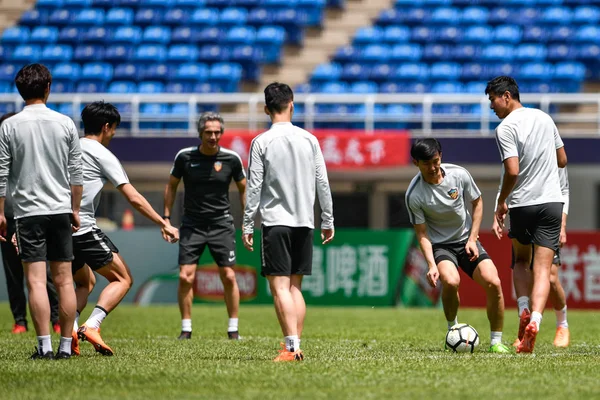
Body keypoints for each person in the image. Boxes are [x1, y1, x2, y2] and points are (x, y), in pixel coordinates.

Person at [71, 101, 179, 356]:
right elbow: (133, 197)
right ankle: (92, 325)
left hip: (57, 227)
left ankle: (71, 330)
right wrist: (163, 222)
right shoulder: (101, 153)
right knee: (123, 278)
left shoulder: (68, 147)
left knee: (84, 282)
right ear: (107, 127)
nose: (115, 134)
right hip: (82, 228)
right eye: (114, 129)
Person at [242, 82, 335, 362]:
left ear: (266, 109)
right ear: (292, 104)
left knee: (280, 288)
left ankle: (291, 347)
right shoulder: (309, 139)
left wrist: (247, 224)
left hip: (276, 222)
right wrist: (327, 219)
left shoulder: (261, 142)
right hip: (304, 222)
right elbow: (323, 182)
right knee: (295, 287)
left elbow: (254, 187)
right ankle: (295, 345)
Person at [0, 63, 83, 359]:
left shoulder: (9, 125)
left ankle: (44, 347)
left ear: (20, 90)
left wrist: (0, 212)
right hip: (60, 209)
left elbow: (1, 173)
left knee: (35, 280)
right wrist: (75, 209)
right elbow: (76, 173)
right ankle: (65, 348)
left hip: (26, 213)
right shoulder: (65, 123)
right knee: (64, 280)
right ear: (48, 87)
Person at [405, 138, 510, 353]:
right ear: (416, 163)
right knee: (451, 282)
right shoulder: (414, 194)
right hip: (441, 246)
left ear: (440, 156)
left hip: (466, 240)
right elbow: (422, 234)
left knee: (494, 282)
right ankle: (453, 331)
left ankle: (496, 342)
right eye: (426, 164)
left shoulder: (459, 174)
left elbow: (477, 202)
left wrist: (472, 238)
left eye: (435, 161)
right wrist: (432, 265)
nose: (433, 168)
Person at [487, 76, 567, 353]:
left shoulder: (505, 128)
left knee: (521, 261)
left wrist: (501, 201)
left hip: (523, 203)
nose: (491, 107)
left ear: (506, 96)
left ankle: (523, 310)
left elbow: (512, 170)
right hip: (553, 203)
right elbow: (562, 160)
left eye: (492, 100)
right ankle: (536, 319)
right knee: (544, 269)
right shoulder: (545, 118)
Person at [164, 112, 246, 340]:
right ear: (200, 133)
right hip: (192, 225)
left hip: (222, 224)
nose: (213, 136)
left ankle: (233, 329)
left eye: (217, 132)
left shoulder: (231, 159)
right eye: (209, 132)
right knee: (185, 277)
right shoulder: (184, 157)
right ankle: (186, 328)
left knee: (229, 276)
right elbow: (171, 186)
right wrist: (166, 218)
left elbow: (243, 188)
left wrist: (247, 221)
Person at [494, 167, 571, 348]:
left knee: (550, 276)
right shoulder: (519, 146)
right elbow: (506, 180)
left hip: (548, 214)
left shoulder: (553, 150)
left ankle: (562, 325)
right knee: (522, 264)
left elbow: (564, 189)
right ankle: (526, 321)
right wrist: (496, 213)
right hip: (522, 211)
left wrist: (563, 225)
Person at [0, 112, 62, 335]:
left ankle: (55, 318)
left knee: (44, 272)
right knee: (13, 273)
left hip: (32, 217)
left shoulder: (30, 156)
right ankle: (20, 321)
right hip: (6, 222)